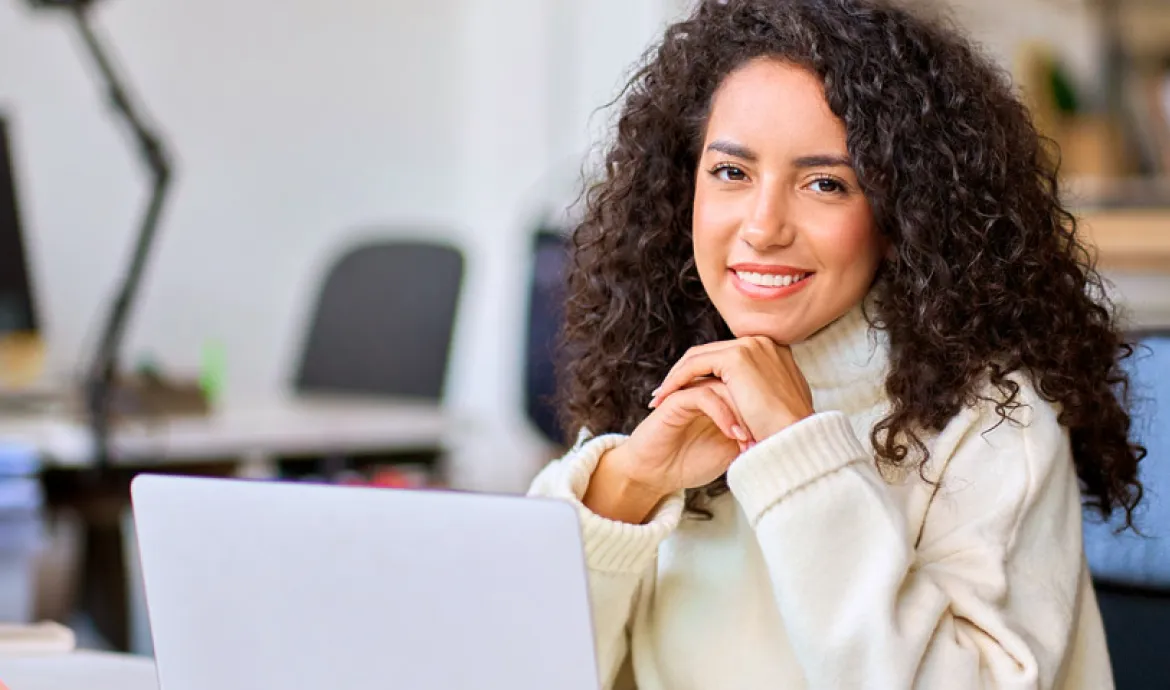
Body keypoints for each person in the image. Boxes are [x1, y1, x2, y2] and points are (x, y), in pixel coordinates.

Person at [527, 0, 1146, 688]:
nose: (763, 227)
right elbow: (517, 665)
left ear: (900, 215)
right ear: (683, 190)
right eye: (731, 173)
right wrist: (628, 487)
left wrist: (801, 463)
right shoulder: (662, 370)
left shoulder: (994, 421)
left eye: (826, 183)